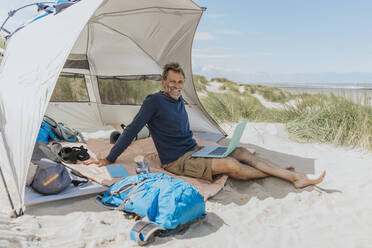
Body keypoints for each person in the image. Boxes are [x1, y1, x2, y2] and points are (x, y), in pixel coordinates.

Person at [84, 62, 325, 188]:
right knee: (232, 163)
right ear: (163, 81)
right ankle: (290, 177)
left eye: (180, 82)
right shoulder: (154, 101)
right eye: (172, 82)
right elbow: (132, 130)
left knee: (240, 151)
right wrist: (110, 158)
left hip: (196, 150)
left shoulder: (179, 100)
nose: (176, 86)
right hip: (177, 161)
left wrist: (203, 148)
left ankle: (283, 173)